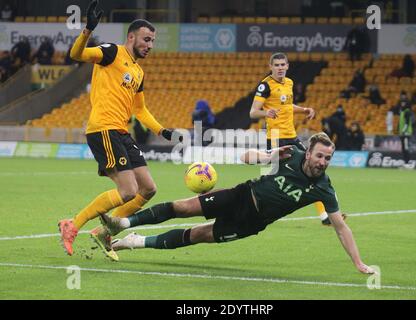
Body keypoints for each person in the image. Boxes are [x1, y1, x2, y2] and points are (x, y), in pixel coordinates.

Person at [99, 133, 374, 274]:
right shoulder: (290, 154)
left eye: (328, 158)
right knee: (183, 208)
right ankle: (121, 222)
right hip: (241, 195)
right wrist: (268, 156)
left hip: (252, 222)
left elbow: (340, 228)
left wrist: (359, 262)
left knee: (196, 236)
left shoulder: (324, 188)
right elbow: (246, 158)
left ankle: (135, 241)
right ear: (310, 152)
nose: (323, 162)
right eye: (320, 156)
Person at [57, 0, 180, 261]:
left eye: (153, 41)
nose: (150, 45)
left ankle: (104, 231)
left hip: (122, 132)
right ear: (131, 37)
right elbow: (77, 55)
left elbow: (141, 110)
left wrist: (163, 131)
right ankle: (73, 224)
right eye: (146, 39)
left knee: (148, 189)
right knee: (127, 191)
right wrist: (88, 30)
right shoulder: (111, 53)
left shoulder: (138, 71)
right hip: (103, 128)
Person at [248, 52, 333, 226]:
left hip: (292, 137)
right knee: (270, 178)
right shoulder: (266, 86)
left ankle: (324, 215)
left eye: (282, 65)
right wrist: (266, 112)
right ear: (270, 66)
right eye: (276, 65)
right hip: (276, 138)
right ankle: (254, 209)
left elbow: (287, 106)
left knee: (312, 171)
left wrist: (304, 109)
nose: (280, 68)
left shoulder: (289, 83)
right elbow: (253, 112)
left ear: (287, 66)